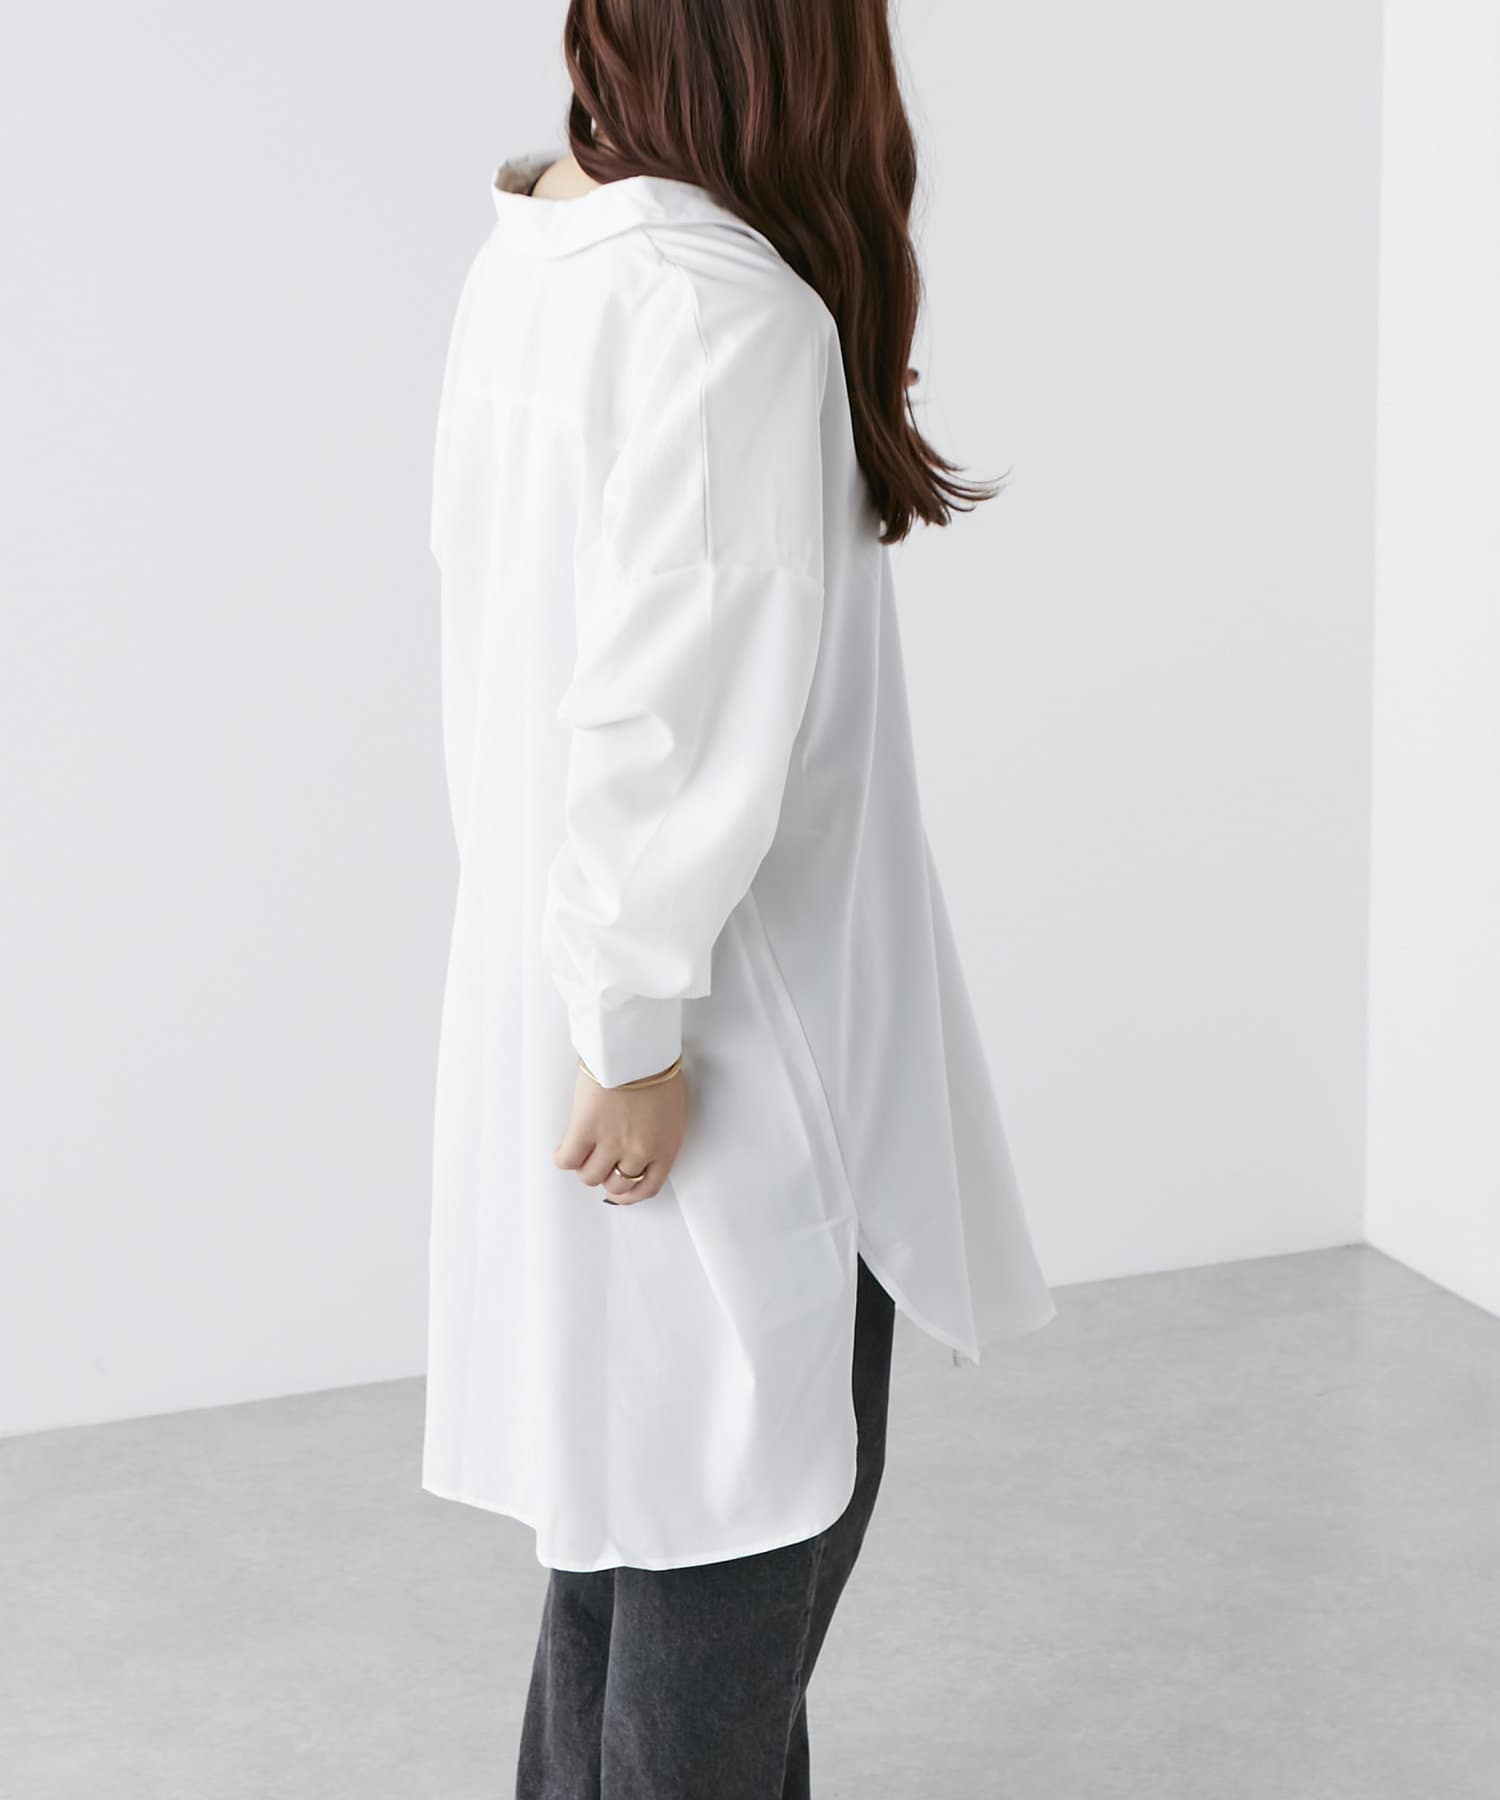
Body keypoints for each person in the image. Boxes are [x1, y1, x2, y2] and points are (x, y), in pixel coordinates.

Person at [422, 2, 1055, 1793]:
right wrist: (634, 1030)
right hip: (713, 1044)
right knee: (734, 1556)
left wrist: (604, 1013)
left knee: (628, 1539)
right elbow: (660, 717)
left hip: (586, 1004)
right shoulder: (726, 317)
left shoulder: (540, 252)